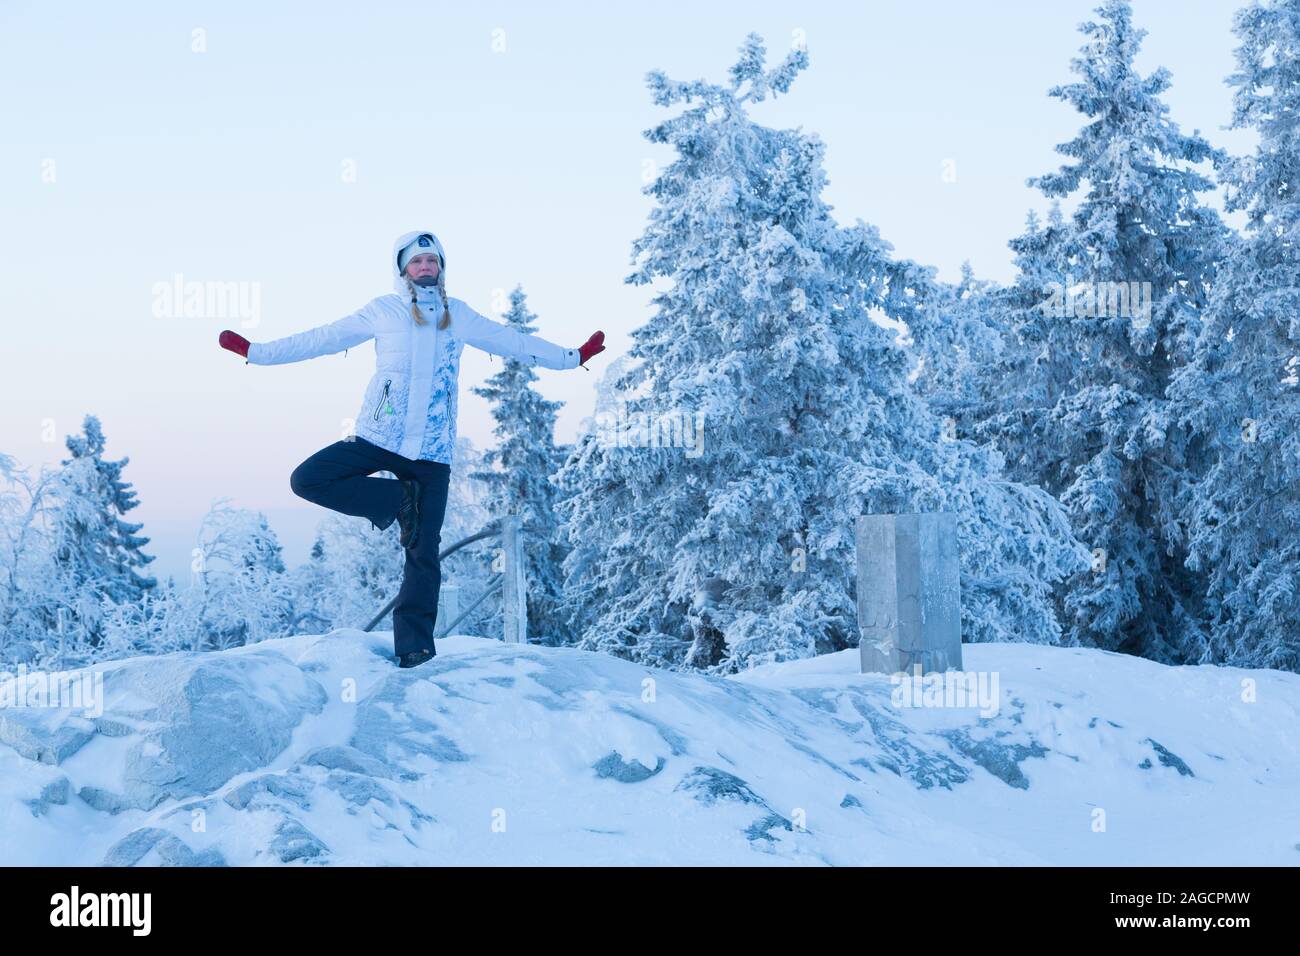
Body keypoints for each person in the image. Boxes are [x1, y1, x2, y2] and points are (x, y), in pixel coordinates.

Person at [218, 230, 605, 668]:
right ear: (402, 269)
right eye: (417, 262)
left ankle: (415, 648)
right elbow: (321, 338)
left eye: (432, 262)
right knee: (307, 479)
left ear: (441, 269)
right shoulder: (382, 311)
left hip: (433, 451)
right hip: (378, 436)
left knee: (423, 552)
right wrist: (256, 351)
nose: (425, 268)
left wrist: (573, 357)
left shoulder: (458, 316)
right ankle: (401, 501)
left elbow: (514, 342)